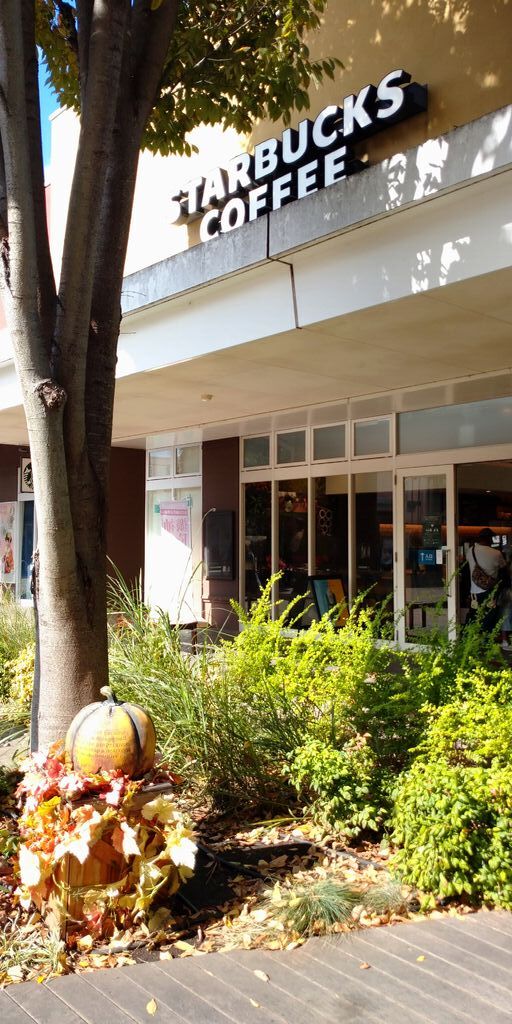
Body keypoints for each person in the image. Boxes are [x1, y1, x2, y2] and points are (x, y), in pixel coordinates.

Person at [466, 528, 507, 634]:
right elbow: (504, 569)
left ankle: (474, 638)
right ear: (489, 538)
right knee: (489, 617)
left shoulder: (470, 551)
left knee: (475, 616)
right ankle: (486, 639)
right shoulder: (496, 553)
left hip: (474, 592)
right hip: (491, 592)